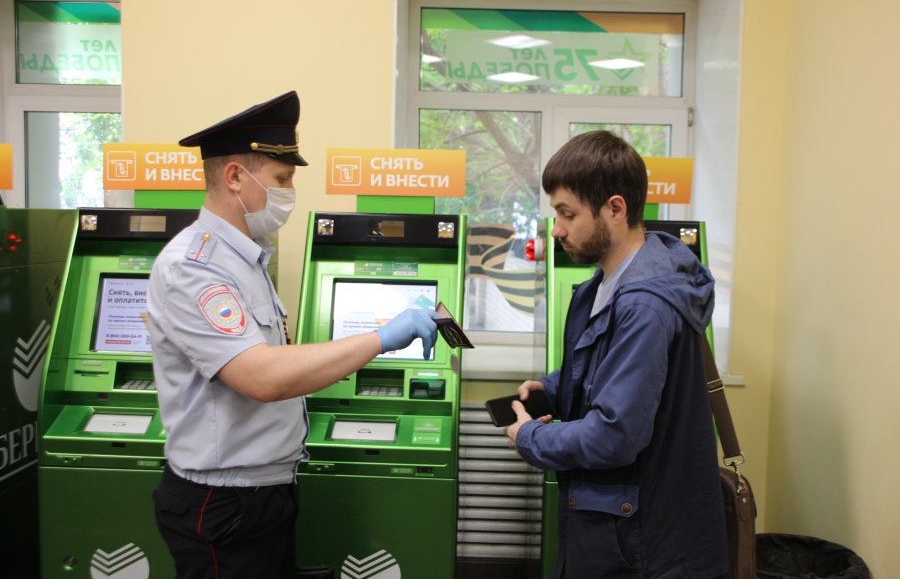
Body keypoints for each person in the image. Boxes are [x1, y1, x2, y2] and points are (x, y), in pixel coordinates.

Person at [147, 91, 440, 579]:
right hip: (223, 502)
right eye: (281, 179)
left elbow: (272, 353)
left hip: (262, 492)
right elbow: (262, 376)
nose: (289, 193)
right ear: (235, 177)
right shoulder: (193, 268)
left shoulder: (246, 259)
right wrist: (382, 337)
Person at [505, 131, 728, 578]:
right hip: (617, 528)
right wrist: (552, 386)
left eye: (568, 214)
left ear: (615, 209)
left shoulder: (645, 303)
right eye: (556, 213)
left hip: (644, 545)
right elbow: (604, 364)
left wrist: (529, 438)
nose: (558, 230)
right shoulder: (602, 286)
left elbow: (614, 435)